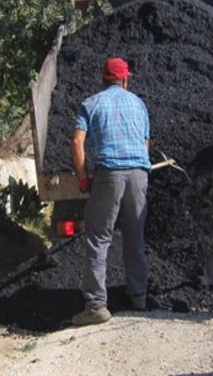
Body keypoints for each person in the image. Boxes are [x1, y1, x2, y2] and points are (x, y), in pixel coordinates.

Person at [70, 57, 152, 326]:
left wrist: (83, 178)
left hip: (109, 174)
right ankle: (139, 297)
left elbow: (77, 141)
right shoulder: (139, 104)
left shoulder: (91, 103)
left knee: (98, 238)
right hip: (139, 173)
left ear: (103, 79)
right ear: (125, 80)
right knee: (134, 236)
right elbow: (145, 142)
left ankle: (96, 306)